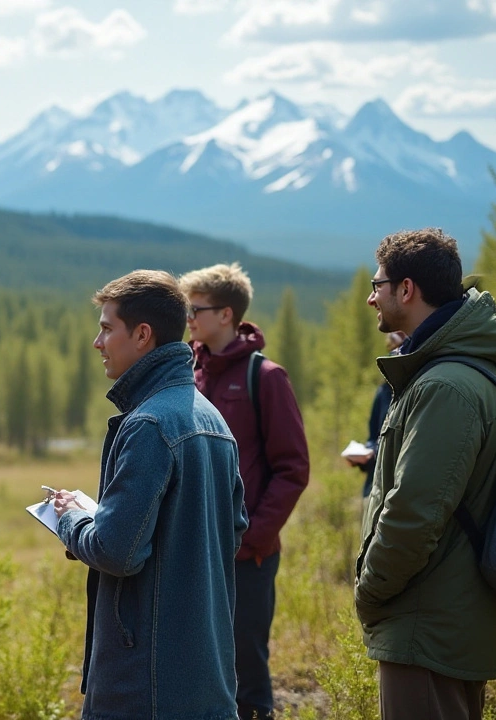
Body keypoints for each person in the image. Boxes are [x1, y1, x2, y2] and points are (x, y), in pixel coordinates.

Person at [51, 270, 247, 720]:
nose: (97, 342)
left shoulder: (149, 425)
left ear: (142, 335)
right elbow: (231, 533)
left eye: (106, 328)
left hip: (142, 688)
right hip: (206, 680)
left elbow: (118, 550)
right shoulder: (213, 419)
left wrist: (71, 519)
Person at [356, 228, 496, 720]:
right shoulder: (459, 372)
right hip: (446, 619)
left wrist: (370, 588)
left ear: (407, 290)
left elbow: (415, 511)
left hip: (427, 626)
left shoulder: (445, 386)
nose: (370, 297)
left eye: (377, 284)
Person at [179, 263, 309, 720]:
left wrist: (250, 537)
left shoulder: (266, 377)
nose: (188, 317)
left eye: (196, 309)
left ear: (227, 314)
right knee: (197, 662)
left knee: (245, 664)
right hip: (193, 550)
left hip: (245, 554)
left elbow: (293, 468)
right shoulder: (186, 372)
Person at [346, 331, 406, 497]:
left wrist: (374, 452)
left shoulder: (420, 388)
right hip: (374, 487)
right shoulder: (383, 391)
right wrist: (367, 454)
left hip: (398, 490)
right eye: (392, 349)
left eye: (400, 347)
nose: (394, 353)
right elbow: (374, 437)